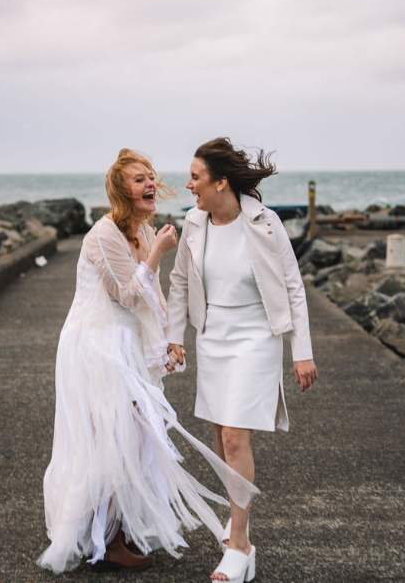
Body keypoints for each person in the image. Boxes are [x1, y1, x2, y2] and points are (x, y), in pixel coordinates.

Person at [38, 148, 258, 575]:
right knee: (111, 439)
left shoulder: (141, 228)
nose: (150, 184)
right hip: (97, 345)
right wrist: (157, 251)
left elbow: (151, 296)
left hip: (126, 342)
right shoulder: (104, 234)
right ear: (122, 190)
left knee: (133, 437)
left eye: (150, 177)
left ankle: (111, 530)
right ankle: (108, 542)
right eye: (139, 180)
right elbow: (125, 295)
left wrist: (170, 342)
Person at [166, 138, 318, 582]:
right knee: (221, 438)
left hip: (256, 337)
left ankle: (238, 543)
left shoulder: (265, 221)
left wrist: (301, 352)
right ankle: (243, 541)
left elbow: (292, 286)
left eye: (196, 177)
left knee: (234, 437)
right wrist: (175, 337)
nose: (189, 185)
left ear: (221, 182)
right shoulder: (195, 222)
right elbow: (179, 283)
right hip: (213, 336)